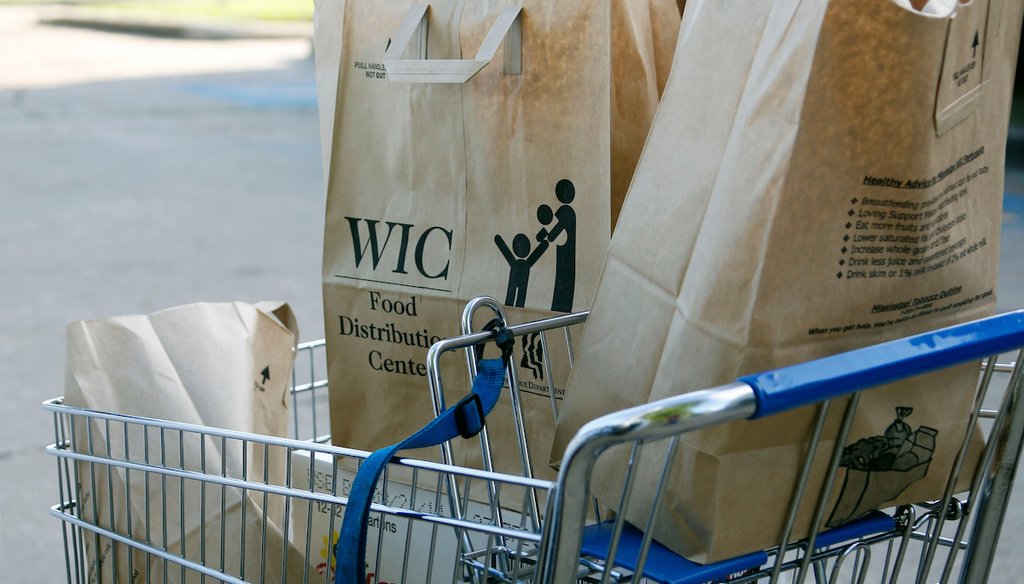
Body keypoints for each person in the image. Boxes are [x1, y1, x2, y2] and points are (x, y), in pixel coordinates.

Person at [543, 179, 577, 312]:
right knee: (565, 282)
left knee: (563, 283)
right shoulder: (570, 211)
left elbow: (553, 235)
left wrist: (545, 234)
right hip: (567, 251)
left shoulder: (565, 211)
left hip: (564, 253)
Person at [494, 232, 548, 308]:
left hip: (521, 275)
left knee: (518, 295)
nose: (521, 248)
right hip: (519, 275)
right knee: (515, 295)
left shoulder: (521, 264)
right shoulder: (523, 264)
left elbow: (504, 249)